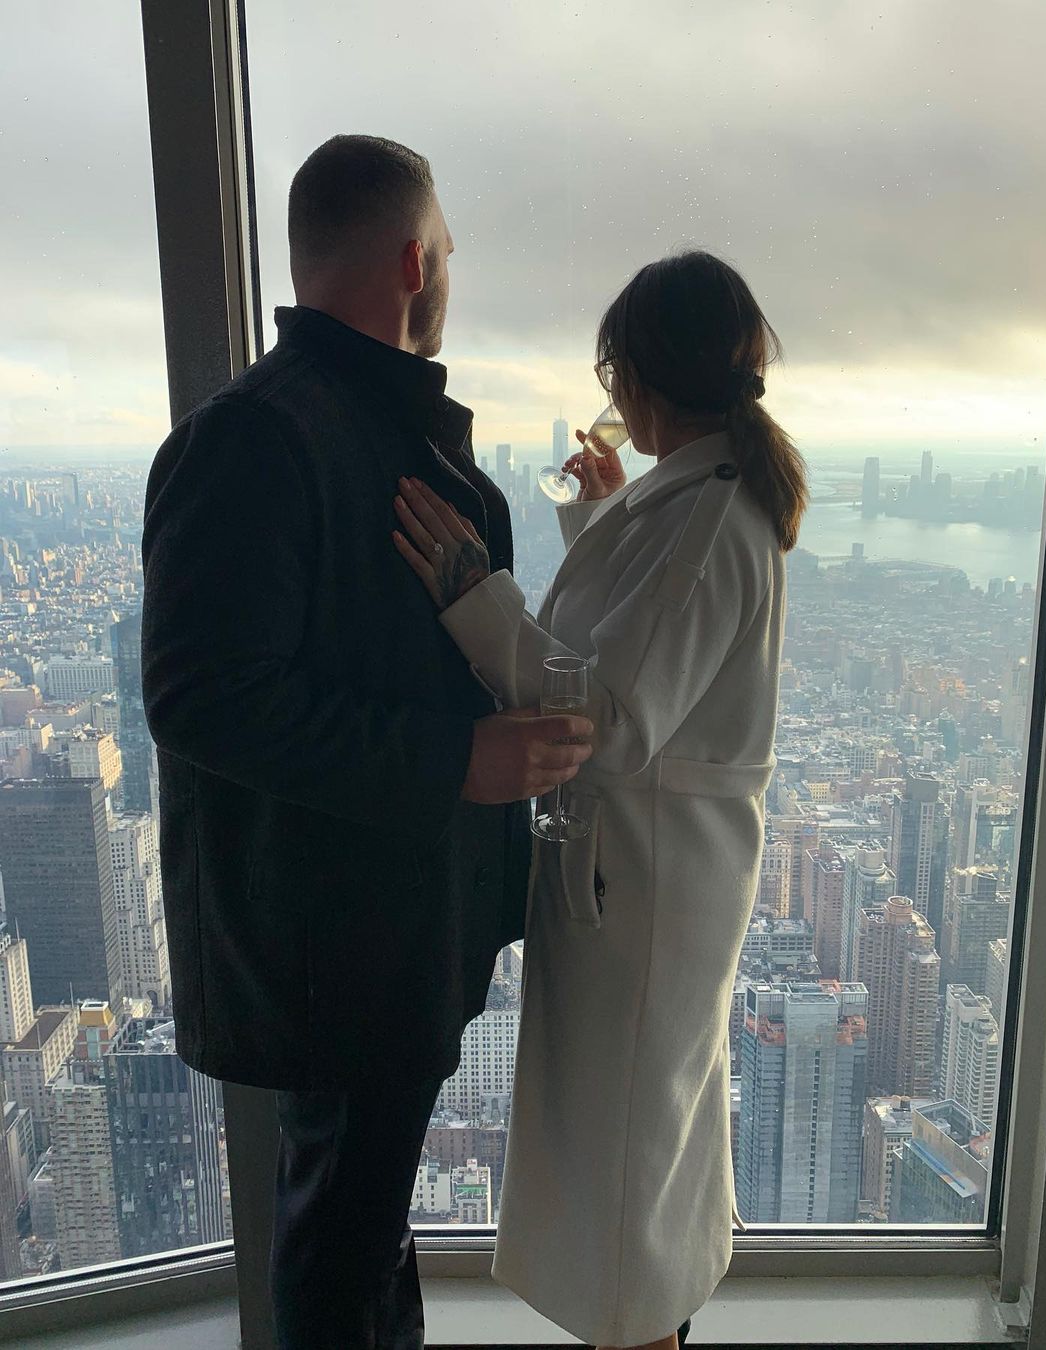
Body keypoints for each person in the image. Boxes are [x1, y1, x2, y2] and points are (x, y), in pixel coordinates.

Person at [140, 134, 593, 1350]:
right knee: (341, 1245)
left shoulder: (365, 430)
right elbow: (202, 696)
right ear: (412, 258)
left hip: (383, 932)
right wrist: (464, 760)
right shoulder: (259, 438)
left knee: (361, 1228)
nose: (449, 271)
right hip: (341, 946)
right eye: (444, 250)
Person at [393, 249, 808, 1350]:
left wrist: (474, 603)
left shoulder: (712, 515)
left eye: (613, 365)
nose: (609, 390)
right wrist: (598, 530)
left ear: (641, 375)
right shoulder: (703, 496)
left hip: (646, 890)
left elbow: (611, 723)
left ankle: (641, 1335)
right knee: (637, 1153)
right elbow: (629, 655)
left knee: (628, 1169)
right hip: (646, 881)